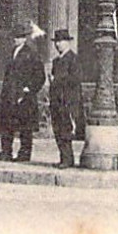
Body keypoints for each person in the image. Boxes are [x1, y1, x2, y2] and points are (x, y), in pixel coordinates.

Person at [0, 21, 46, 162]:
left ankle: (24, 154)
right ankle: (6, 152)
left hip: (24, 96)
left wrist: (29, 89)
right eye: (15, 37)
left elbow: (40, 76)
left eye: (19, 37)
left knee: (25, 126)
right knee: (6, 124)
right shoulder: (12, 52)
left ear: (25, 38)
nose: (16, 39)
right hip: (10, 95)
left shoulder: (31, 53)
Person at [47, 29, 86, 169]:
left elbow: (75, 79)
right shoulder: (56, 61)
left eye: (61, 41)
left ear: (67, 42)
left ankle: (68, 159)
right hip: (56, 101)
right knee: (58, 130)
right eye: (56, 42)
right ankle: (63, 158)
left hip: (67, 101)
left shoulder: (73, 59)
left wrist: (56, 80)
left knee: (65, 130)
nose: (58, 44)